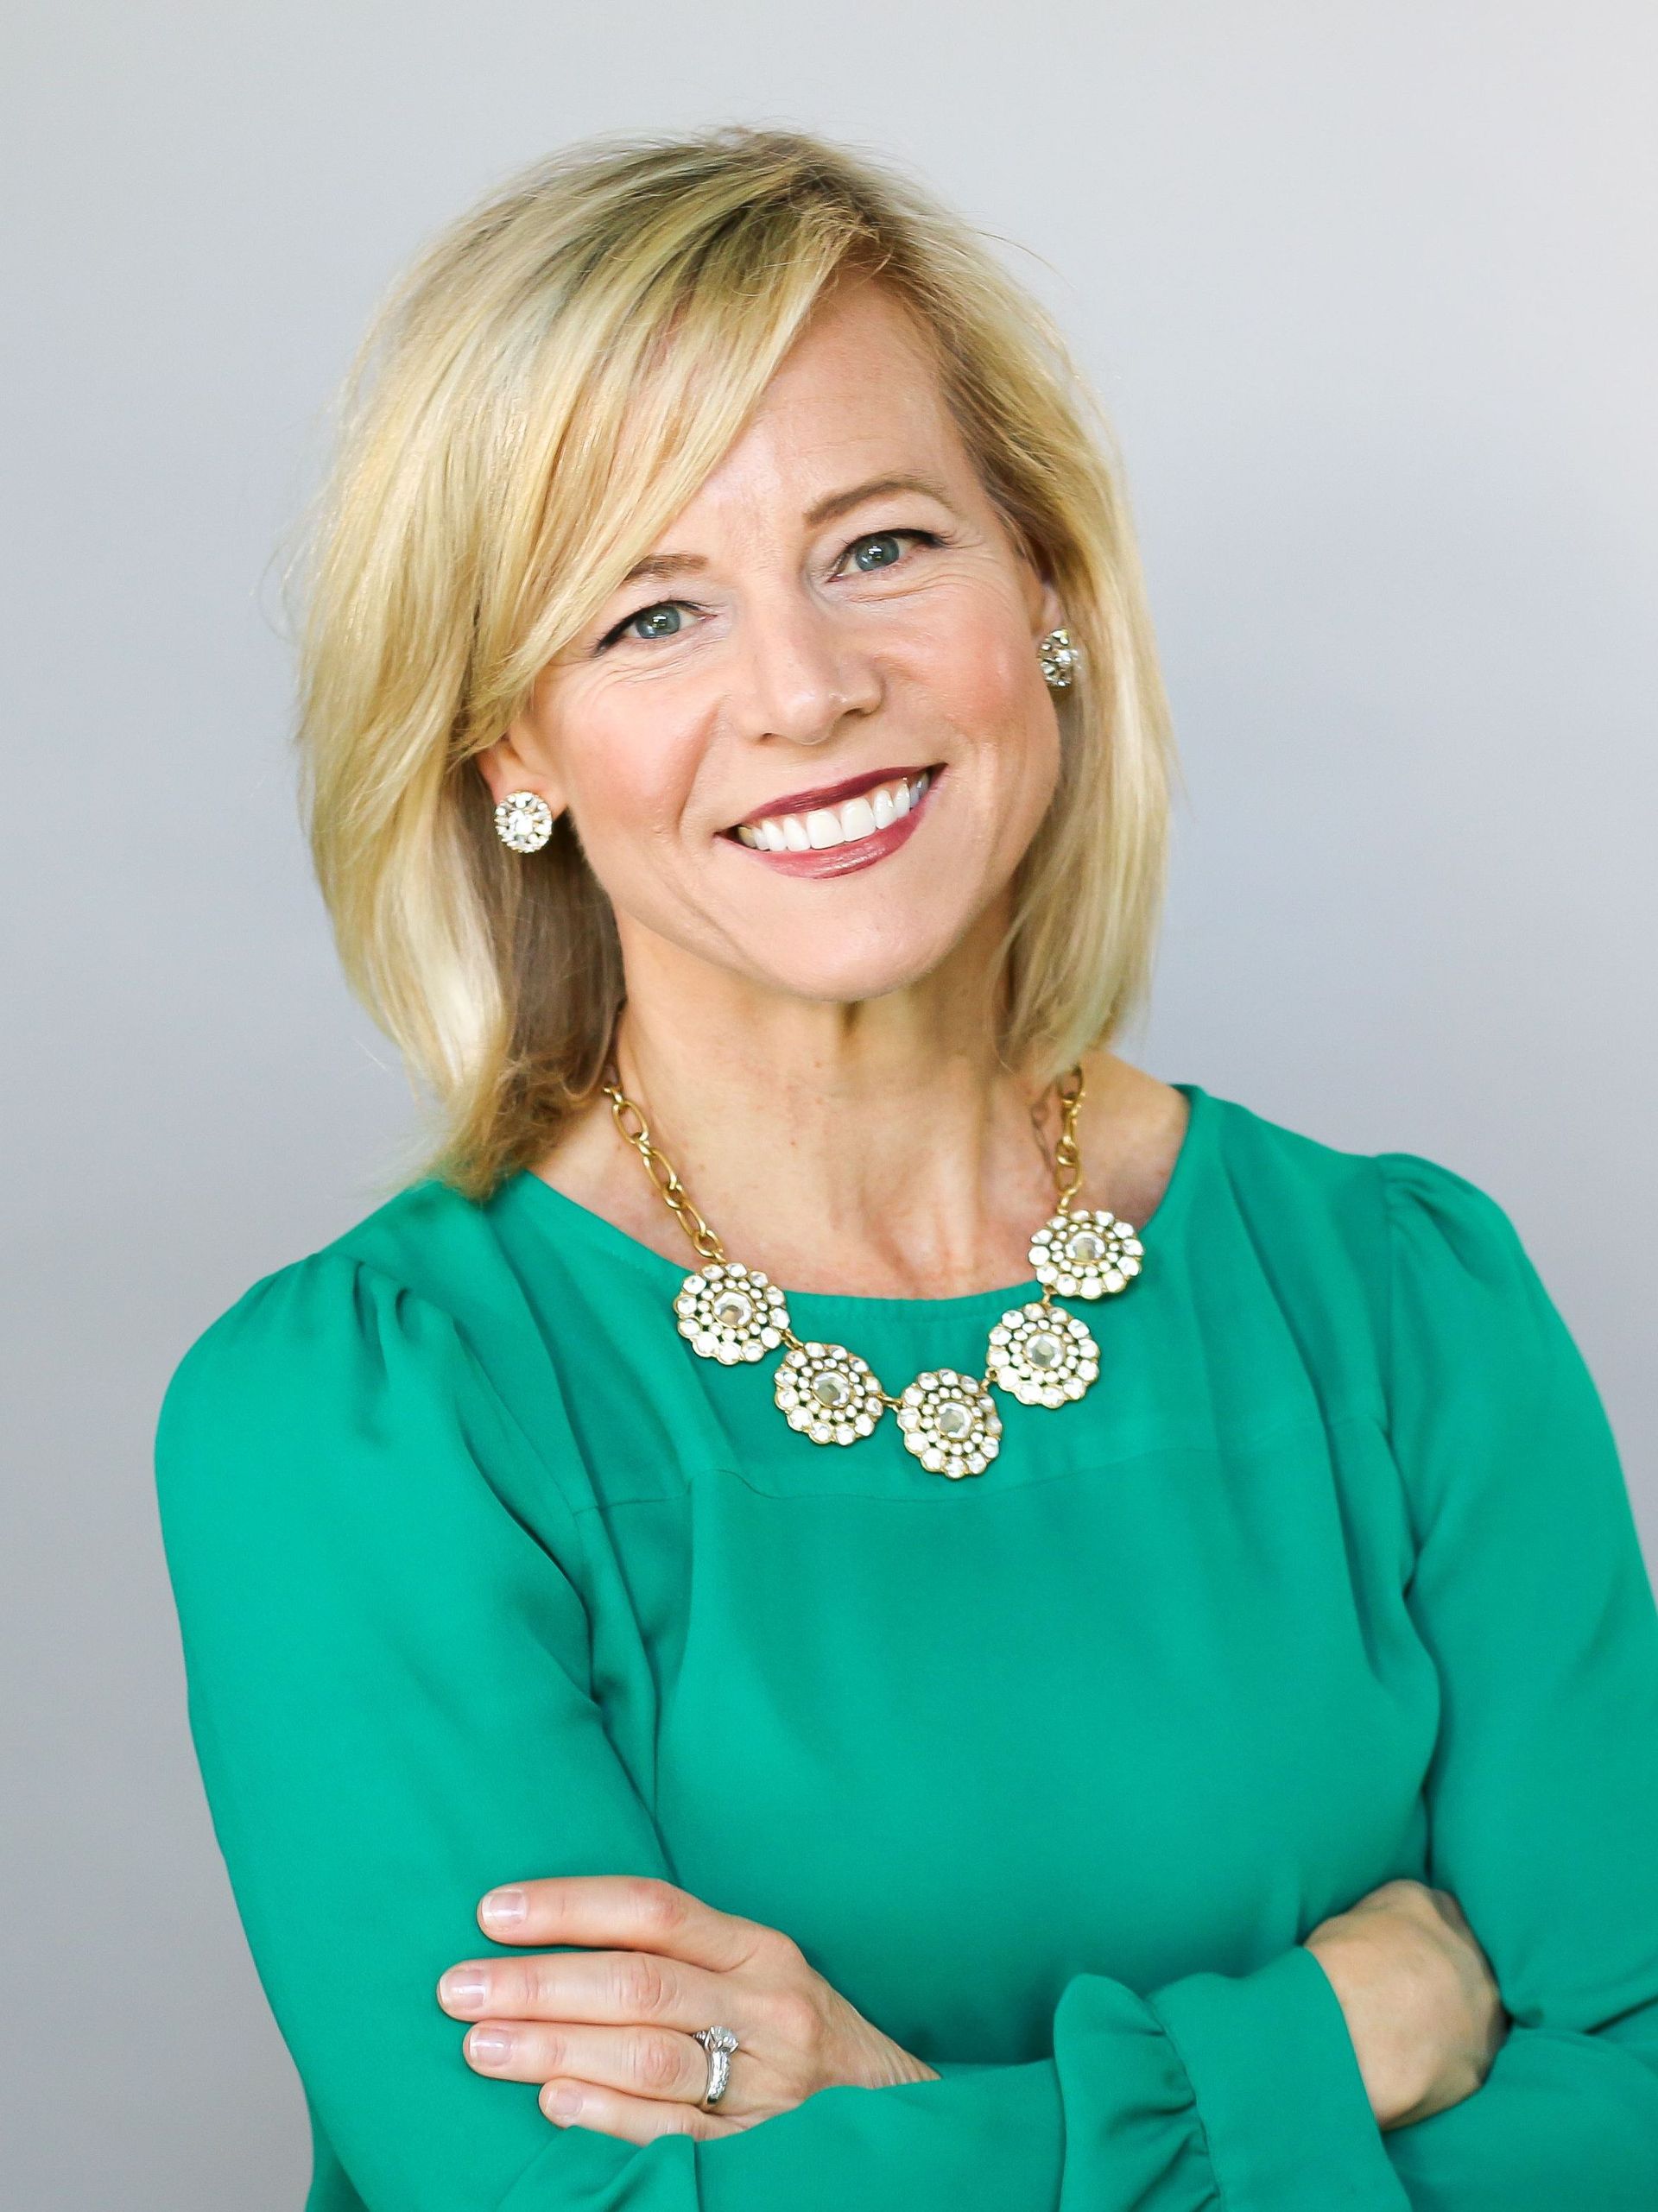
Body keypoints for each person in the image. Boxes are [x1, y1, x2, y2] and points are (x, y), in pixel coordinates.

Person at [154, 125, 1658, 2211]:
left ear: (1044, 587)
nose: (806, 690)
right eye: (651, 614)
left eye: (878, 548)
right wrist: (1319, 2045)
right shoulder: (363, 1421)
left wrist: (900, 2139)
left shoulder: (1407, 1300)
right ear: (511, 749)